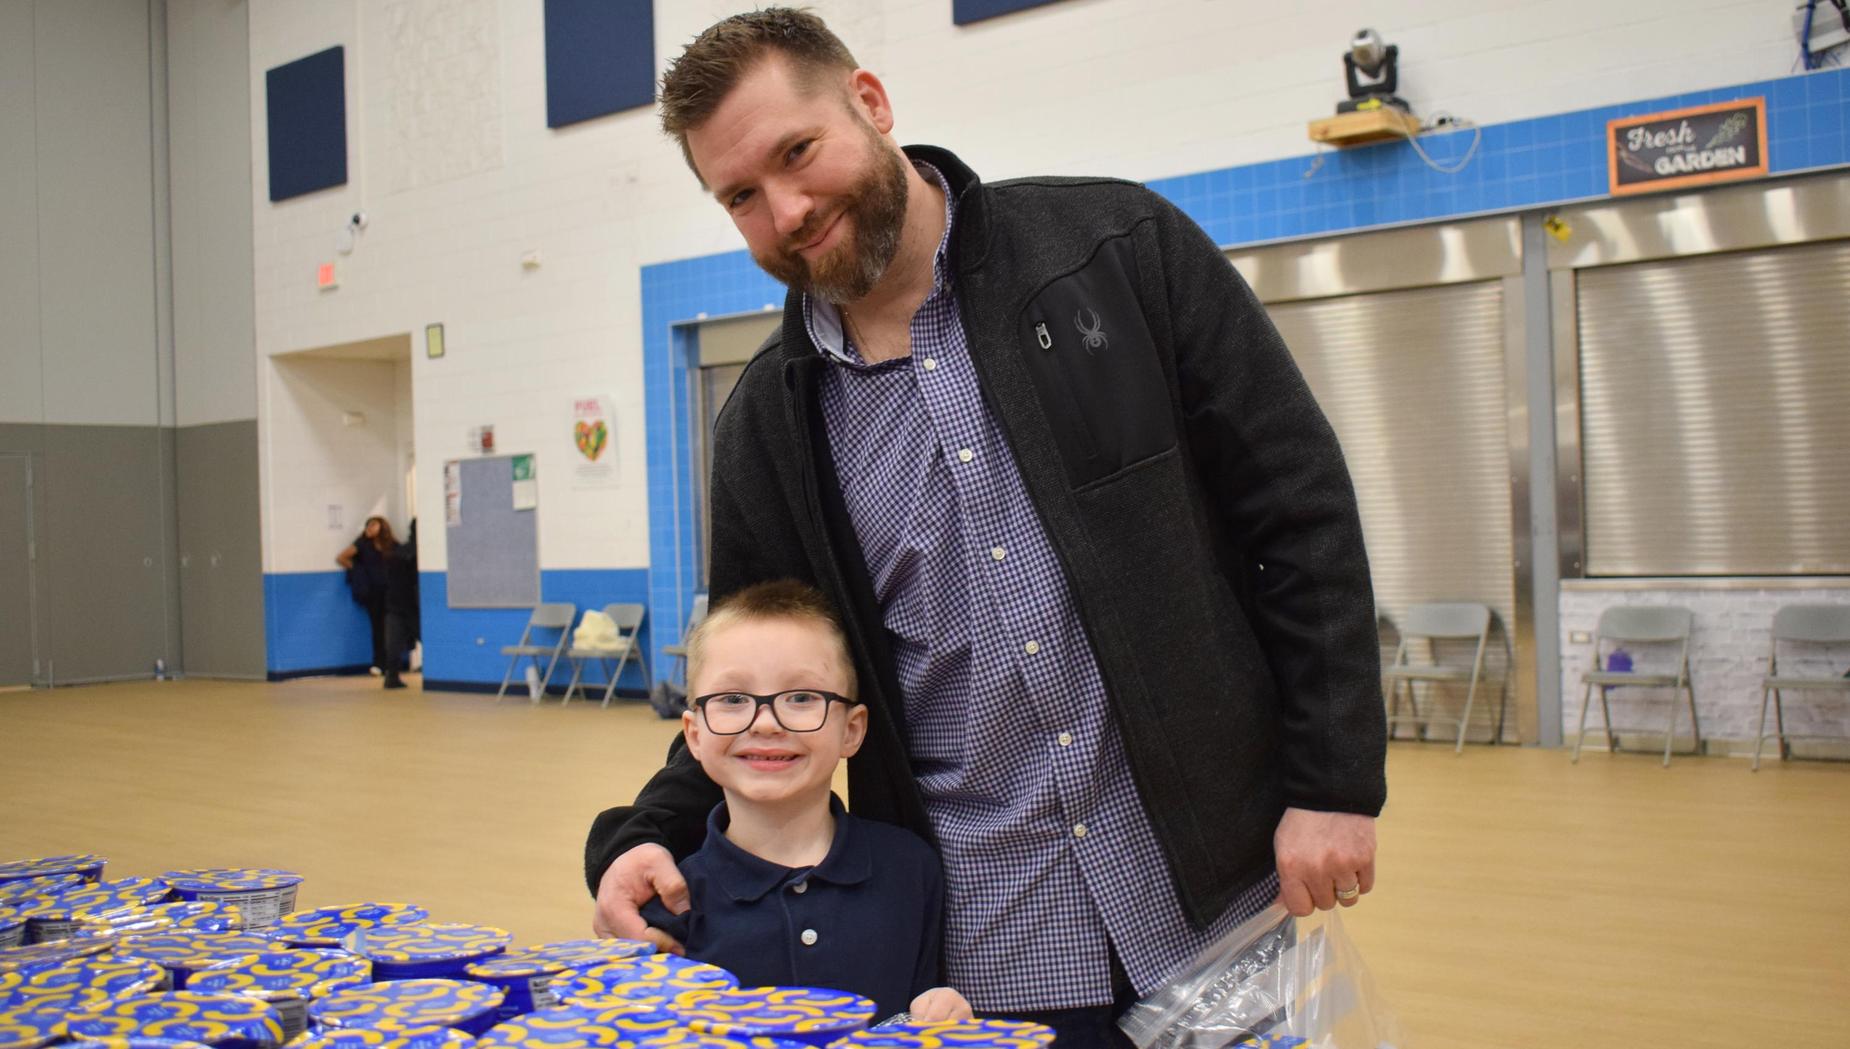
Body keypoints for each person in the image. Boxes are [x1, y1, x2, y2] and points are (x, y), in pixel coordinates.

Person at [586, 10, 1387, 1044]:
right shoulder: (765, 431)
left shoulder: (1114, 252)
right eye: (739, 195)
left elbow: (1298, 509)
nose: (784, 210)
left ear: (868, 103)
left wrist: (1330, 780)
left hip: (1218, 898)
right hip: (984, 947)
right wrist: (644, 834)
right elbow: (753, 687)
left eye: (797, 153)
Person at [637, 579, 971, 1023]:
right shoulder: (672, 902)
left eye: (801, 697)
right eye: (733, 699)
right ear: (694, 735)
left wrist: (939, 1017)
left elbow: (915, 1013)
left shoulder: (910, 868)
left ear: (851, 730)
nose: (766, 723)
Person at [337, 516, 397, 675]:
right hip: (373, 592)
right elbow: (342, 557)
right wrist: (358, 570)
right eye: (368, 526)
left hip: (390, 591)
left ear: (382, 527)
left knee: (392, 627)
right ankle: (379, 663)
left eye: (373, 525)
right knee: (378, 627)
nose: (369, 528)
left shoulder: (391, 545)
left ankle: (393, 663)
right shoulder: (362, 544)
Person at [381, 519, 420, 690]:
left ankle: (391, 677)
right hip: (412, 606)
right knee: (431, 639)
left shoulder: (397, 552)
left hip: (394, 604)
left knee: (393, 645)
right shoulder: (420, 552)